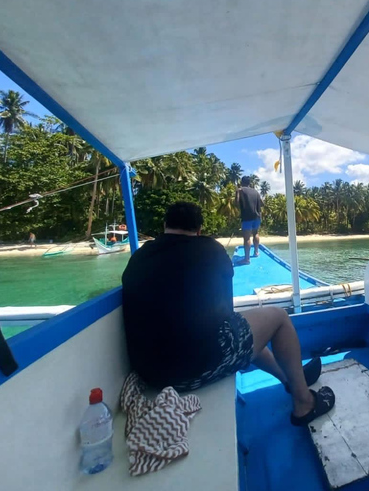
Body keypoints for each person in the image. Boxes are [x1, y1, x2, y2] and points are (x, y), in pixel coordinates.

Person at [122, 201, 334, 424]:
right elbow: (225, 313)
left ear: (165, 225)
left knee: (240, 329)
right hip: (191, 373)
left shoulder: (139, 257)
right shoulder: (210, 249)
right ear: (199, 229)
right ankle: (304, 403)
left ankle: (288, 380)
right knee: (278, 318)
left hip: (152, 375)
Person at [235, 176, 262, 265]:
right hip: (257, 217)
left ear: (242, 182)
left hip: (247, 218)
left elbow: (236, 203)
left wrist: (237, 193)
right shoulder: (256, 192)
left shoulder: (240, 190)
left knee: (247, 238)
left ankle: (246, 259)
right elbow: (262, 203)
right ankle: (256, 252)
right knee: (256, 233)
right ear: (249, 183)